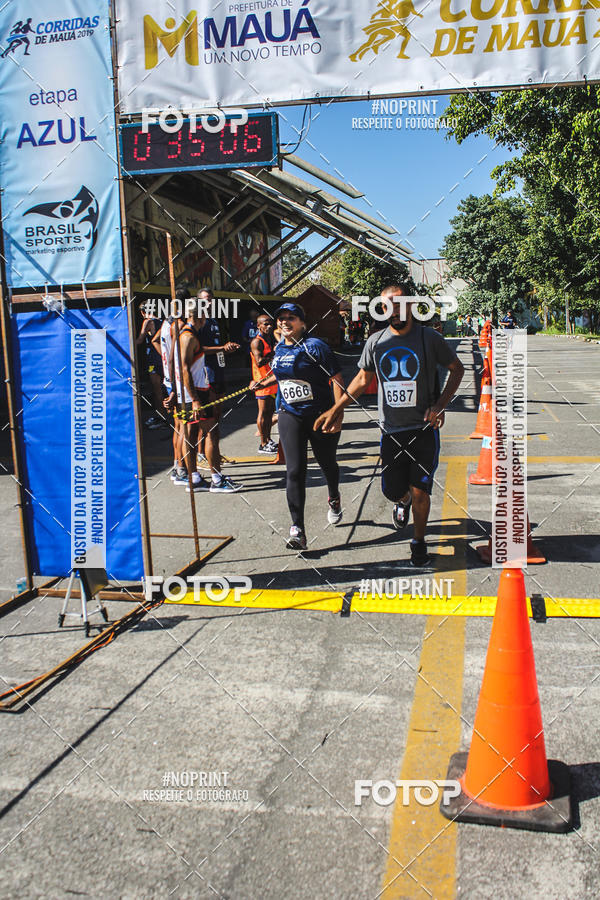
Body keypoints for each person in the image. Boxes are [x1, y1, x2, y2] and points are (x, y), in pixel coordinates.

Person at [315, 285, 464, 568]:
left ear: (410, 305)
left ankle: (418, 543)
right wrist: (336, 409)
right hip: (391, 431)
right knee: (391, 490)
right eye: (386, 306)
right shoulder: (376, 342)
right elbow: (361, 379)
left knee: (422, 489)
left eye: (398, 303)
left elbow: (457, 369)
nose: (392, 310)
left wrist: (440, 404)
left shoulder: (428, 338)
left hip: (423, 430)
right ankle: (402, 500)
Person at [250, 303, 345, 550]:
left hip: (319, 415)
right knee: (294, 471)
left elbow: (336, 380)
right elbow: (281, 373)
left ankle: (334, 496)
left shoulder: (317, 347)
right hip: (290, 415)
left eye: (291, 318)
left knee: (327, 464)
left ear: (302, 323)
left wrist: (337, 414)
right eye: (281, 318)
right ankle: (298, 530)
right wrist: (262, 383)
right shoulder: (280, 347)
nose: (284, 322)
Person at [166, 303, 241, 494]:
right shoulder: (189, 336)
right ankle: (216, 479)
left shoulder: (184, 334)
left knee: (190, 435)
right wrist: (196, 398)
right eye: (206, 314)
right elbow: (184, 368)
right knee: (211, 433)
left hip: (186, 394)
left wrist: (221, 349)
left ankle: (194, 479)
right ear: (200, 317)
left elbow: (197, 351)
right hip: (195, 393)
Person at [250, 314, 278, 454]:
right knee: (263, 412)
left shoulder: (269, 338)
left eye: (270, 324)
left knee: (269, 413)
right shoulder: (257, 342)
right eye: (265, 324)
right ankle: (263, 443)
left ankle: (268, 439)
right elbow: (259, 361)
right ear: (258, 326)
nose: (269, 326)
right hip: (261, 381)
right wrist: (274, 353)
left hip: (271, 380)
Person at [136, 301, 164, 429]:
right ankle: (165, 417)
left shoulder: (147, 322)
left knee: (157, 390)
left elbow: (140, 340)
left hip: (153, 359)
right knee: (166, 388)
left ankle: (161, 419)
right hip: (162, 357)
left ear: (142, 312)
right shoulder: (162, 321)